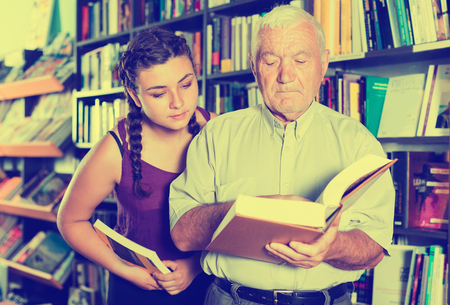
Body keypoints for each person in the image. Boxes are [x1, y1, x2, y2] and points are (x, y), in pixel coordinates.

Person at [169, 5, 395, 305]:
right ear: (253, 66)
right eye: (270, 60)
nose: (285, 75)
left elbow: (375, 248)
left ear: (323, 63)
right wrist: (243, 212)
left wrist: (331, 246)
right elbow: (182, 233)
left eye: (301, 59)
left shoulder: (358, 142)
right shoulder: (215, 135)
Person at [57, 27, 216, 305]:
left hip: (207, 285)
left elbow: (236, 215)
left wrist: (195, 265)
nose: (178, 102)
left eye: (186, 84)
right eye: (158, 94)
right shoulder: (114, 150)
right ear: (134, 94)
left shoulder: (218, 129)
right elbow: (70, 220)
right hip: (138, 291)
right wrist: (125, 270)